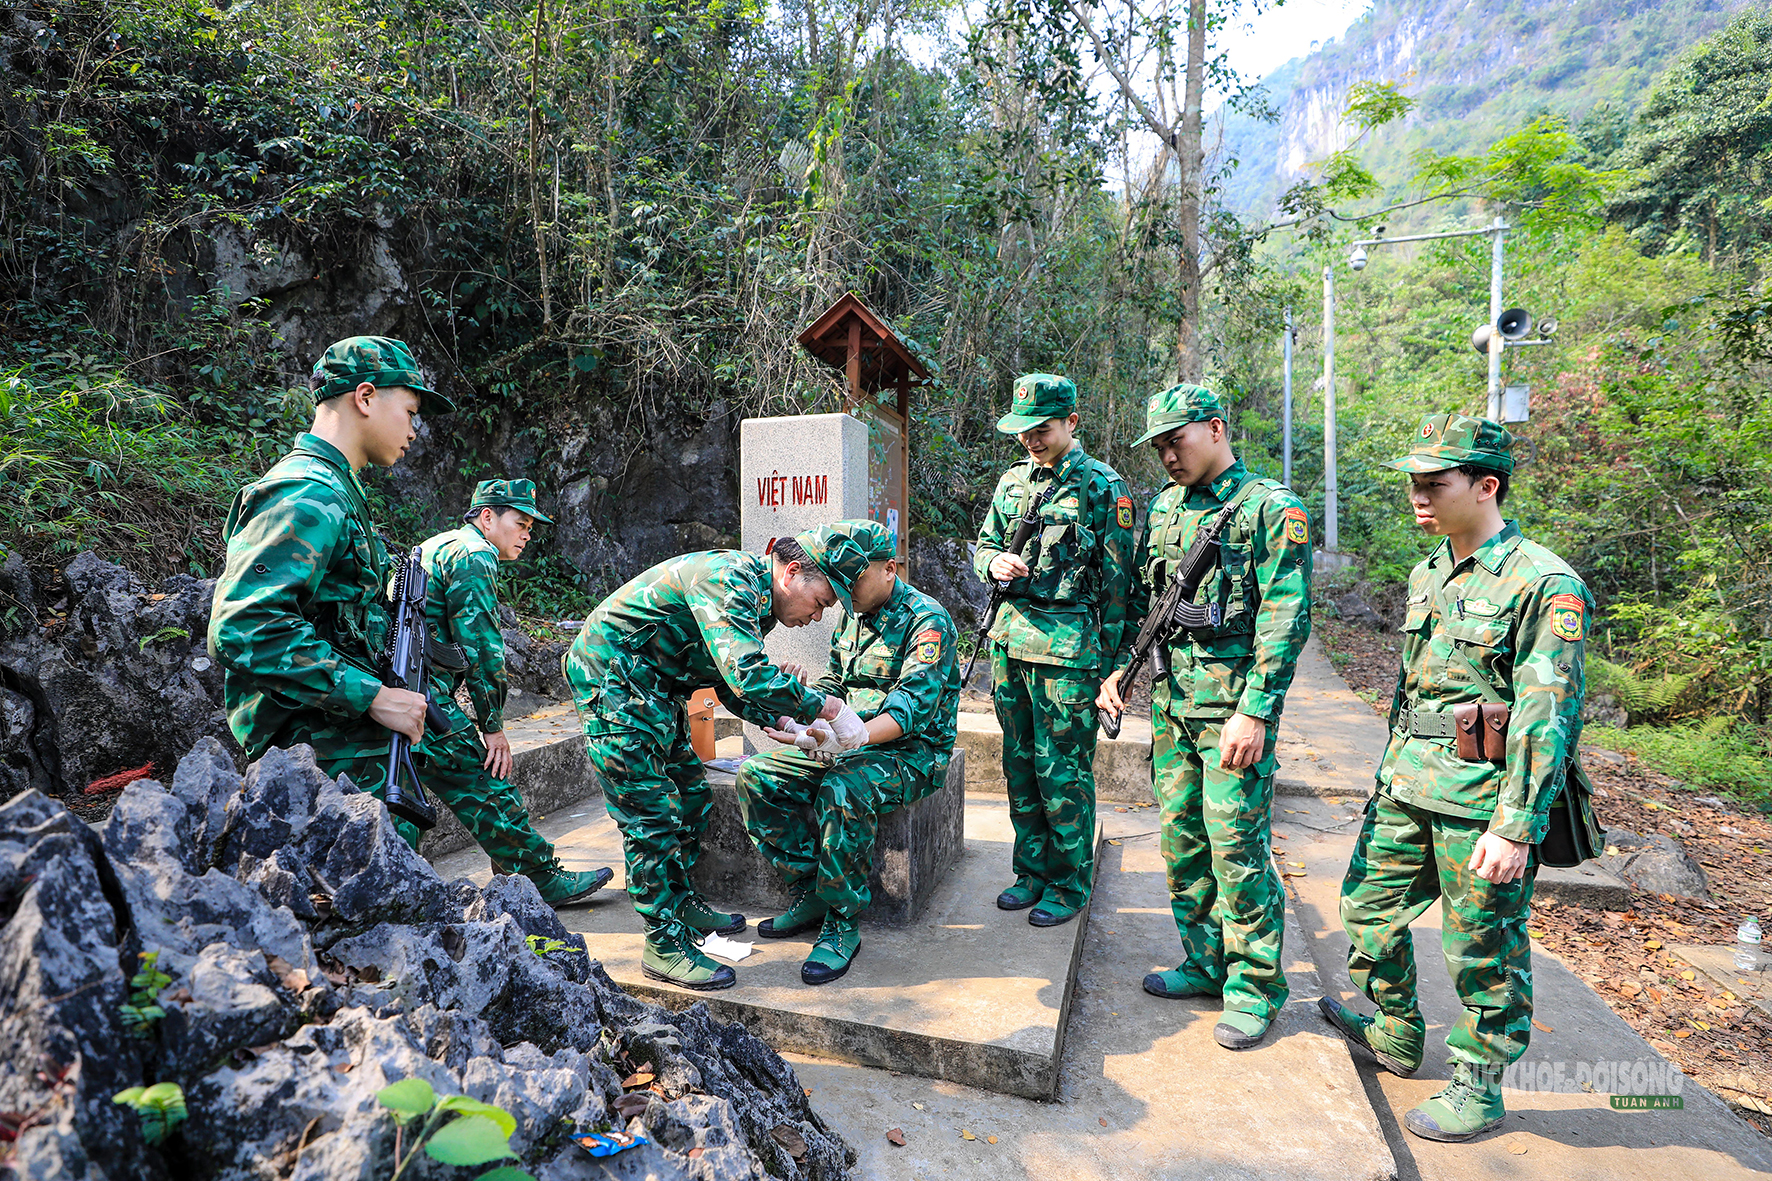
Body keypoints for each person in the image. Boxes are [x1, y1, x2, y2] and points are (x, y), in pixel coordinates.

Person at [1320, 413, 1593, 1141]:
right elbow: (1416, 693)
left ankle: (1479, 1081)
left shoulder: (1543, 584)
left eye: (1433, 483)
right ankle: (1397, 1029)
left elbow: (1546, 718)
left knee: (1482, 946)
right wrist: (1386, 776)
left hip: (1481, 801)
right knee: (1365, 912)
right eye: (1413, 482)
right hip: (1408, 785)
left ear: (1486, 485)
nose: (1418, 496)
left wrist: (1515, 825)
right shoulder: (1429, 570)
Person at [1097, 383, 1312, 1051]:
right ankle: (1205, 960)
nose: (1167, 454)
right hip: (1172, 707)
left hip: (1231, 715)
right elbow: (1147, 604)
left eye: (1176, 439)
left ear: (1216, 428)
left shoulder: (1269, 509)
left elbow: (1286, 616)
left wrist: (1256, 709)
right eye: (1158, 445)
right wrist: (1119, 671)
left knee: (1238, 854)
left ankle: (1254, 987)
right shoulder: (1164, 509)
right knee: (1183, 843)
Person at [564, 538, 867, 990]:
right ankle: (662, 944)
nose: (817, 616)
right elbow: (746, 672)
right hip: (613, 682)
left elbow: (726, 684)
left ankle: (680, 901)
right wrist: (827, 709)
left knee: (691, 793)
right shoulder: (729, 580)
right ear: (791, 574)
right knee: (650, 815)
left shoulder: (758, 602)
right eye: (821, 602)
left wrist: (787, 721)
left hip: (653, 686)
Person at [209, 335, 452, 846]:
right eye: (410, 410)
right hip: (322, 757)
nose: (414, 428)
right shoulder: (308, 492)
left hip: (344, 749)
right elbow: (243, 627)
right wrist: (373, 697)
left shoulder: (337, 490)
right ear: (365, 398)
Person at [734, 520, 959, 985]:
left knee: (843, 786)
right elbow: (835, 683)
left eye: (855, 577)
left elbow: (910, 710)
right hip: (851, 744)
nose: (845, 588)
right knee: (757, 776)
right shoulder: (852, 616)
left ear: (889, 569)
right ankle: (809, 888)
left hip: (910, 754)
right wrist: (810, 724)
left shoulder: (927, 621)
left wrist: (850, 739)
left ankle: (841, 922)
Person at [972, 373, 1136, 929]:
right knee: (1018, 767)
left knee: (1062, 771)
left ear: (1071, 423)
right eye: (1023, 432)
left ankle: (1069, 882)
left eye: (1041, 430)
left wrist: (1115, 672)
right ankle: (1031, 871)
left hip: (1069, 654)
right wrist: (990, 563)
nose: (1031, 441)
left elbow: (1119, 591)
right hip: (1009, 645)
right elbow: (986, 544)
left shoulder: (1103, 488)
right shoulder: (1012, 482)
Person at [413, 478, 614, 906]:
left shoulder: (441, 544)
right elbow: (482, 646)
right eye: (520, 523)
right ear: (487, 517)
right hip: (419, 692)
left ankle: (502, 873)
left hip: (403, 688)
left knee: (404, 793)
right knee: (487, 780)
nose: (526, 534)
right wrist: (492, 726)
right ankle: (539, 879)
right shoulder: (473, 554)